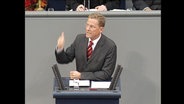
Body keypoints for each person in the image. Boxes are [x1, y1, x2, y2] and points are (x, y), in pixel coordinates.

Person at [55, 12, 117, 81]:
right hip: (80, 86)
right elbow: (65, 59)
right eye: (87, 25)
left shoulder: (110, 46)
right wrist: (60, 48)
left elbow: (106, 73)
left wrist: (81, 75)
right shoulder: (79, 39)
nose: (87, 29)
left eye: (92, 26)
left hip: (99, 87)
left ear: (101, 29)